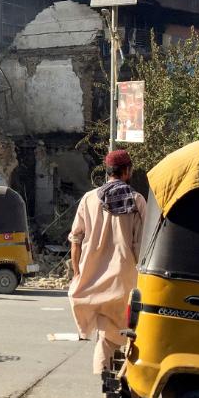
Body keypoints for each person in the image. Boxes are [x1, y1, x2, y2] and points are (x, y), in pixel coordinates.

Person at [68, 149, 147, 378]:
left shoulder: (89, 199)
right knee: (131, 337)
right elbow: (139, 246)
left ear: (108, 171)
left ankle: (106, 384)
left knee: (105, 337)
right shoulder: (136, 200)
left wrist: (77, 273)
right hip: (126, 282)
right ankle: (127, 383)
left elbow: (76, 240)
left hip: (93, 282)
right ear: (127, 171)